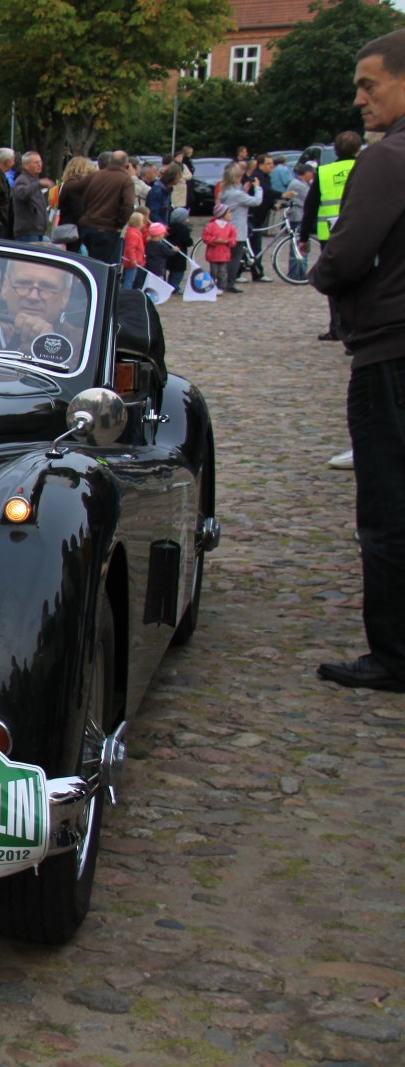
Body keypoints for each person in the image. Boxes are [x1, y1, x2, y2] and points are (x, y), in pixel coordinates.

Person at [310, 27, 405, 691]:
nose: (359, 99)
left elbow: (342, 257)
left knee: (388, 506)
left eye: (369, 85)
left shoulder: (388, 159)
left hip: (390, 349)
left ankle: (394, 653)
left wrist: (326, 275)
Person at [301, 130, 362, 342]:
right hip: (360, 232)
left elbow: (310, 206)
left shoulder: (324, 172)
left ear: (335, 150)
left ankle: (337, 327)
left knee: (335, 281)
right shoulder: (364, 167)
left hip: (330, 235)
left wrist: (303, 237)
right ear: (358, 149)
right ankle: (359, 326)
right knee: (361, 280)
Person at [59, 150, 132, 264]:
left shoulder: (96, 176)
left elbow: (72, 187)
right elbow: (128, 205)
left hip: (88, 226)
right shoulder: (125, 179)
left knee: (91, 261)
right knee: (104, 265)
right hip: (107, 228)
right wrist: (119, 224)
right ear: (126, 166)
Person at [216, 162, 261, 290]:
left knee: (226, 257)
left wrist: (244, 189)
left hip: (226, 228)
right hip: (237, 229)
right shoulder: (237, 194)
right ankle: (229, 283)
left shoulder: (225, 191)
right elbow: (256, 201)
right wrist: (258, 188)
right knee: (235, 257)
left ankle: (223, 282)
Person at [243, 154, 275, 281]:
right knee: (250, 245)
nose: (271, 166)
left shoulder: (266, 176)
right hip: (252, 215)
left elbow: (267, 196)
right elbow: (265, 191)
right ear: (261, 165)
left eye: (272, 163)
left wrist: (273, 204)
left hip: (259, 216)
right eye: (268, 163)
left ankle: (257, 272)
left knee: (255, 245)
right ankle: (242, 272)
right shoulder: (257, 176)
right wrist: (282, 195)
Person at [10, 150, 50, 242]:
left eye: (40, 162)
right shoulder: (22, 180)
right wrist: (38, 184)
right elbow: (22, 194)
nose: (39, 165)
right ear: (26, 165)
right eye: (36, 162)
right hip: (27, 232)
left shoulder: (34, 180)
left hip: (37, 231)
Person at [201, 202, 237, 292]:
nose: (230, 214)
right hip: (213, 254)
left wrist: (227, 241)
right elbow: (205, 237)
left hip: (224, 254)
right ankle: (212, 287)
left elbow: (233, 239)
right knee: (214, 272)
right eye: (228, 212)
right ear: (222, 214)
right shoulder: (211, 226)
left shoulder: (230, 227)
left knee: (222, 272)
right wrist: (215, 240)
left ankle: (221, 287)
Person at [121, 211, 145, 288]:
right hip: (132, 262)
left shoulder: (133, 232)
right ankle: (126, 293)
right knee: (129, 280)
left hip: (133, 261)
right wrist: (133, 259)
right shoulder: (133, 234)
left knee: (129, 279)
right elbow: (130, 248)